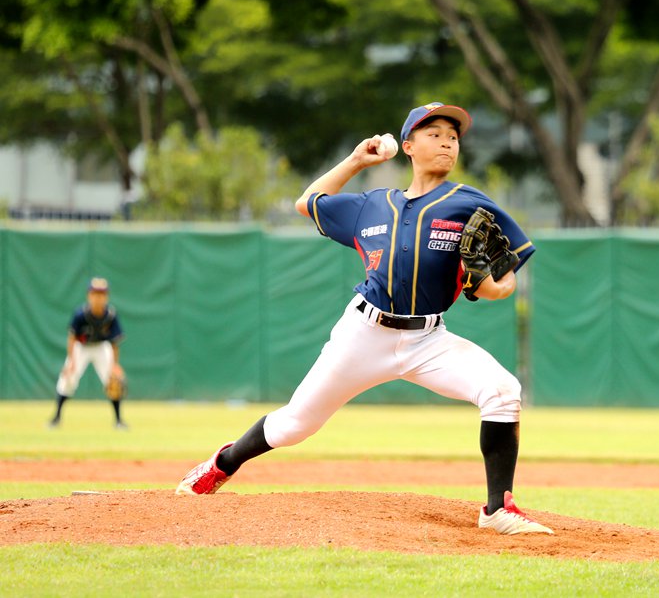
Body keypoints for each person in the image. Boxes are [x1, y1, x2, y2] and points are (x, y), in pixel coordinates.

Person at [176, 102, 552, 535]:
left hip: (428, 339)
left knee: (503, 391)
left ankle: (497, 509)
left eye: (453, 136)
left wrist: (485, 283)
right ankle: (222, 464)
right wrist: (356, 161)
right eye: (434, 134)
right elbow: (307, 202)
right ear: (408, 146)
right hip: (363, 333)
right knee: (295, 424)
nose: (447, 142)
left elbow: (504, 280)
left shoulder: (469, 203)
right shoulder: (373, 204)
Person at [50, 277, 128, 429]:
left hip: (101, 348)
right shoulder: (81, 314)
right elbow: (72, 339)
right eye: (95, 293)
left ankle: (118, 421)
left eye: (102, 294)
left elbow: (114, 343)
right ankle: (56, 418)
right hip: (81, 348)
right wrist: (72, 361)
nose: (98, 297)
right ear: (89, 295)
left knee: (113, 381)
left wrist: (114, 365)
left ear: (107, 296)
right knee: (67, 379)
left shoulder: (111, 315)